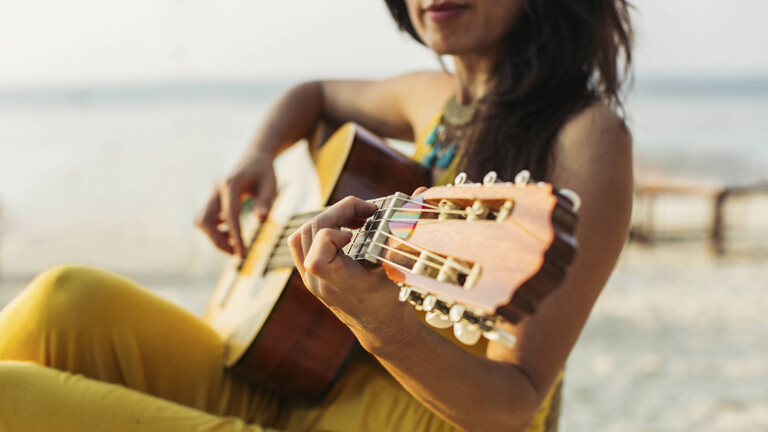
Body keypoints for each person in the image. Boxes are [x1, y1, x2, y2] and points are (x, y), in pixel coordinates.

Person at [0, 1, 633, 431]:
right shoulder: (430, 97)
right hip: (305, 380)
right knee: (64, 296)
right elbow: (313, 93)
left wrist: (379, 319)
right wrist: (257, 158)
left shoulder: (585, 136)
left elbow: (513, 408)